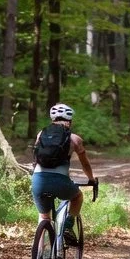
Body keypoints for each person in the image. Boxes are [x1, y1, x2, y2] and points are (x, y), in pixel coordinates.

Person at [31, 103, 95, 241]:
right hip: (59, 182)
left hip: (38, 180)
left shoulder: (40, 134)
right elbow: (85, 163)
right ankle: (67, 226)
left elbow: (35, 158)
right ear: (70, 121)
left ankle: (38, 257)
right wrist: (91, 179)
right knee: (77, 197)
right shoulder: (75, 139)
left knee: (44, 217)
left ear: (52, 120)